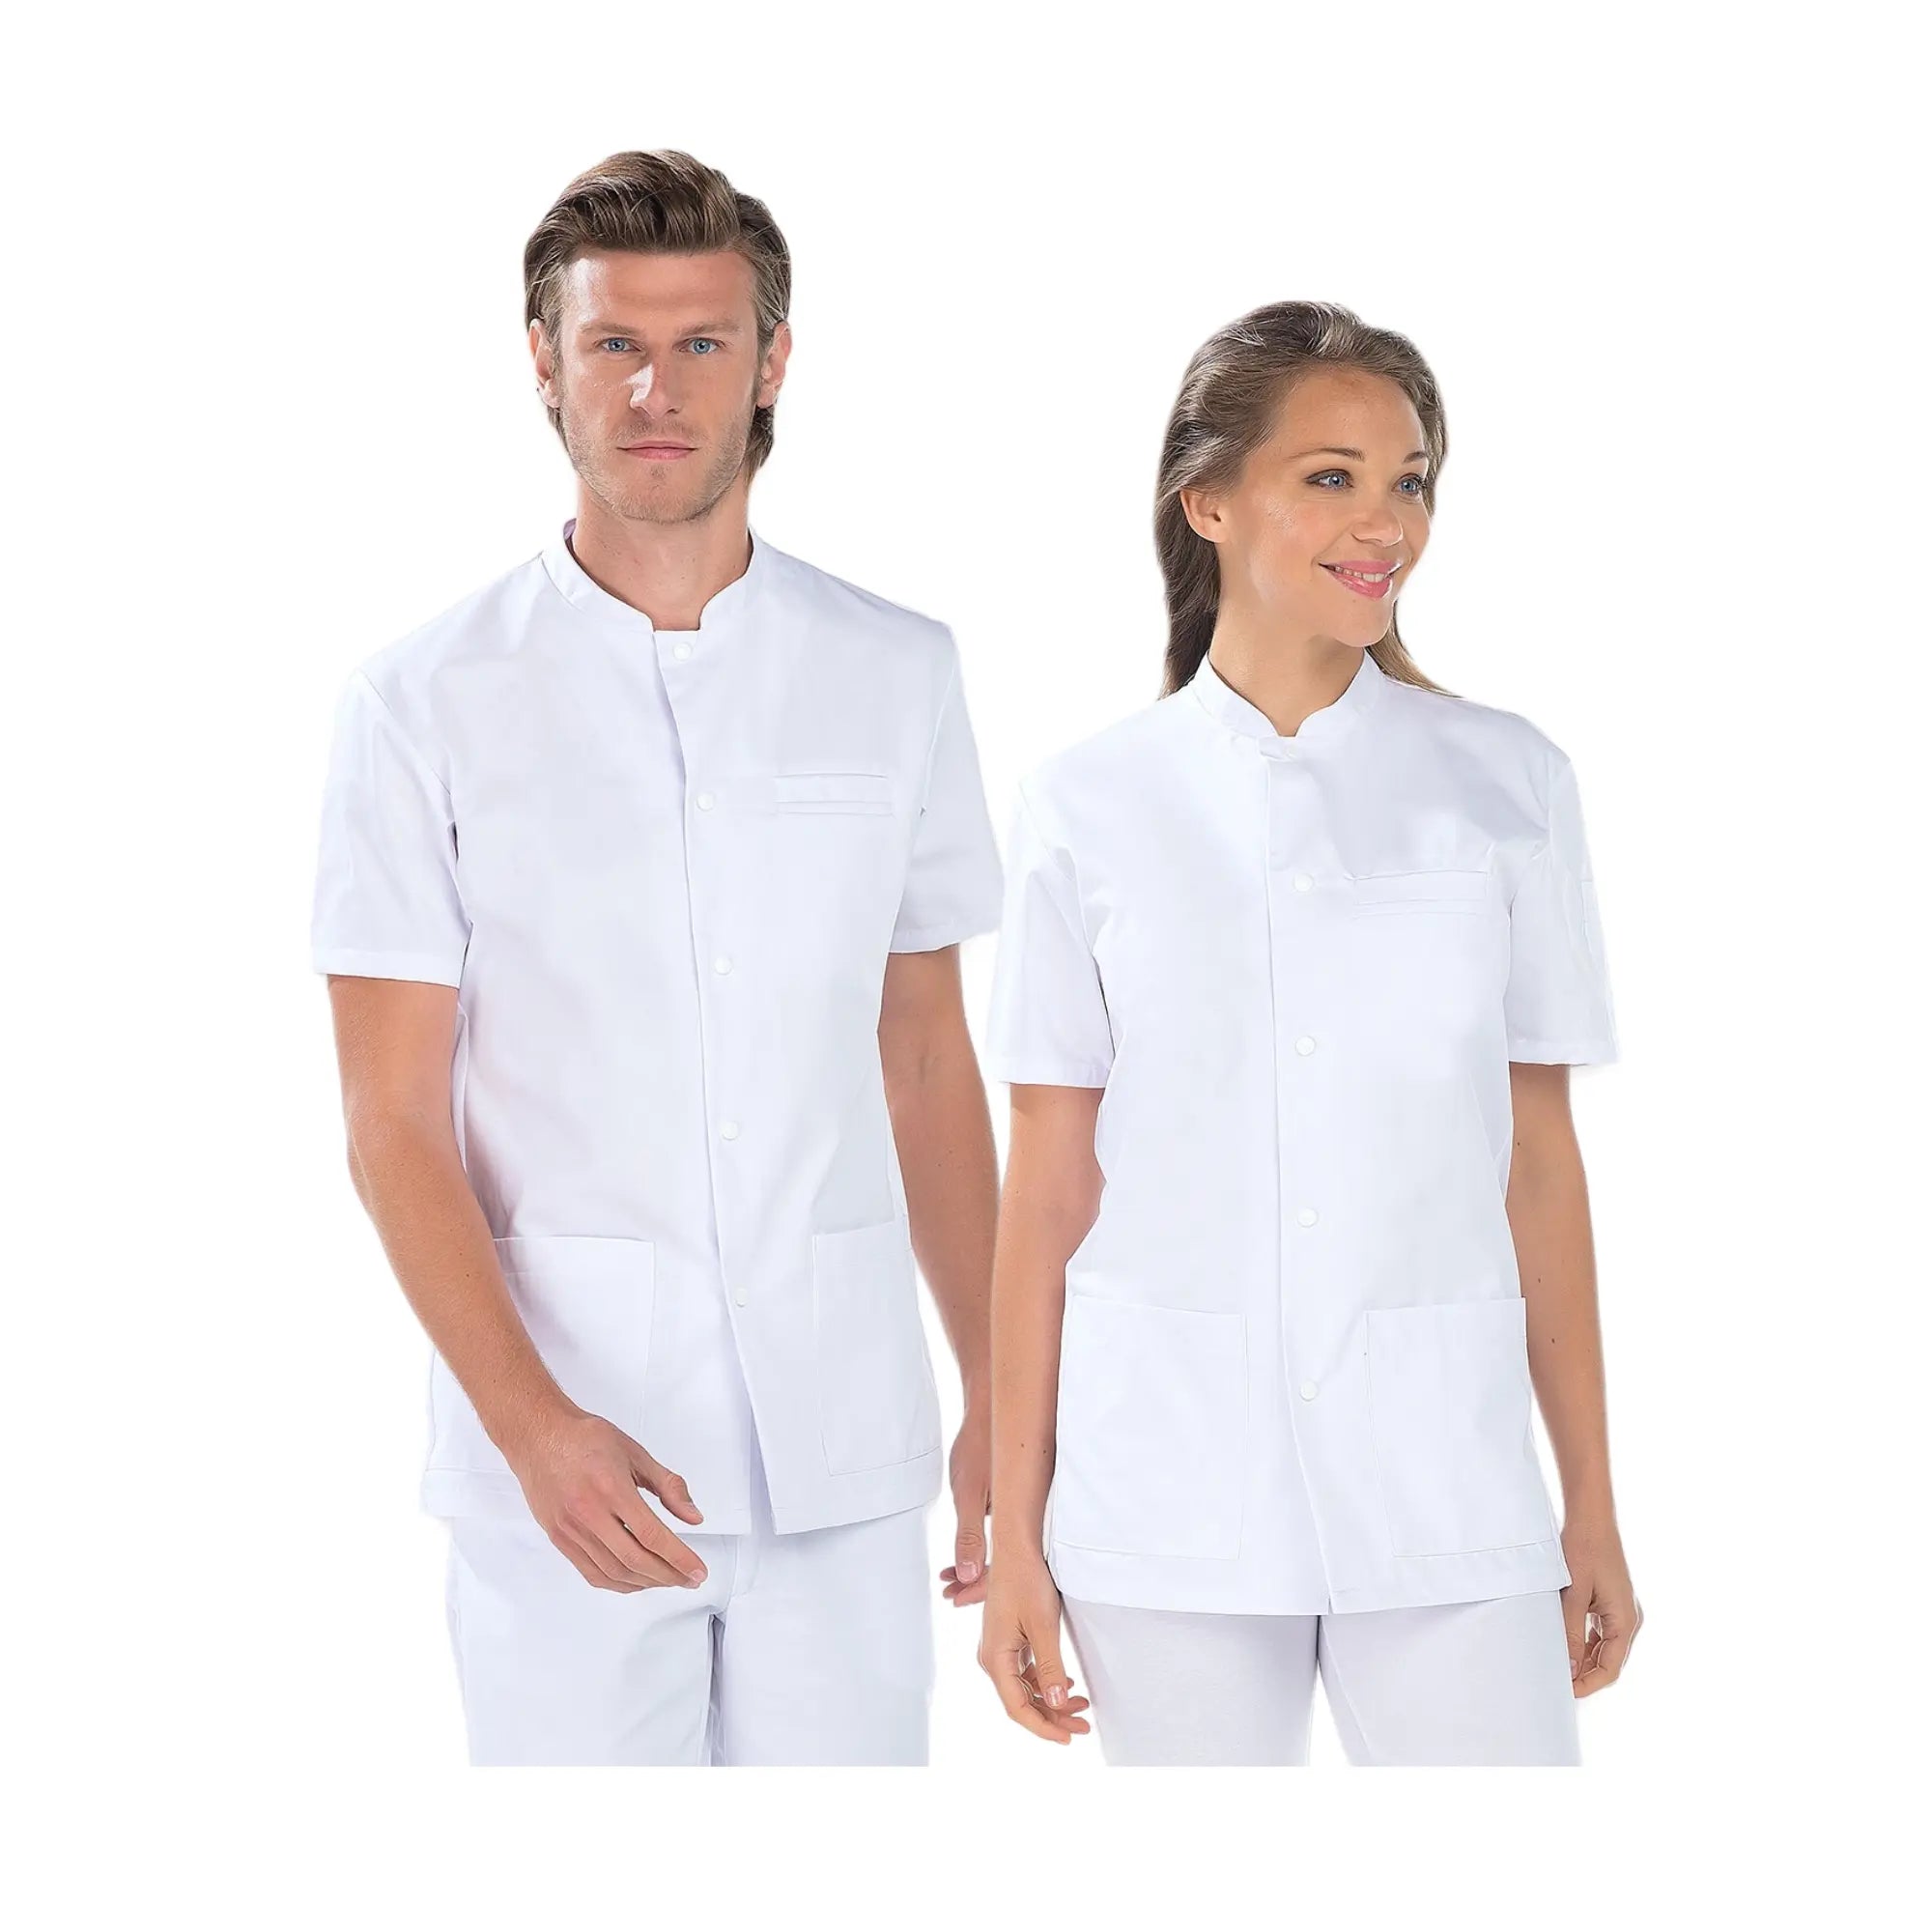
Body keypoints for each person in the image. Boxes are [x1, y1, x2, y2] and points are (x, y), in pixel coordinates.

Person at [309, 150, 1004, 1766]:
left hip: (842, 1446)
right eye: (614, 341)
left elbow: (922, 1060)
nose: (656, 388)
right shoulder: (421, 702)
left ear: (772, 362)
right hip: (566, 1456)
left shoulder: (898, 672)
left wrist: (1002, 1396)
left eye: (702, 342)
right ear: (543, 362)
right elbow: (390, 1119)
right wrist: (529, 1425)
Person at [976, 301, 1641, 1766]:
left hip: (1447, 1482)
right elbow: (1049, 1188)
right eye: (1330, 477)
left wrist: (1588, 1502)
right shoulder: (1086, 805)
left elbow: (1538, 1167)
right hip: (1167, 1484)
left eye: (1410, 480)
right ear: (1207, 501)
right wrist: (1015, 1532)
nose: (1385, 522)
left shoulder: (1509, 784)